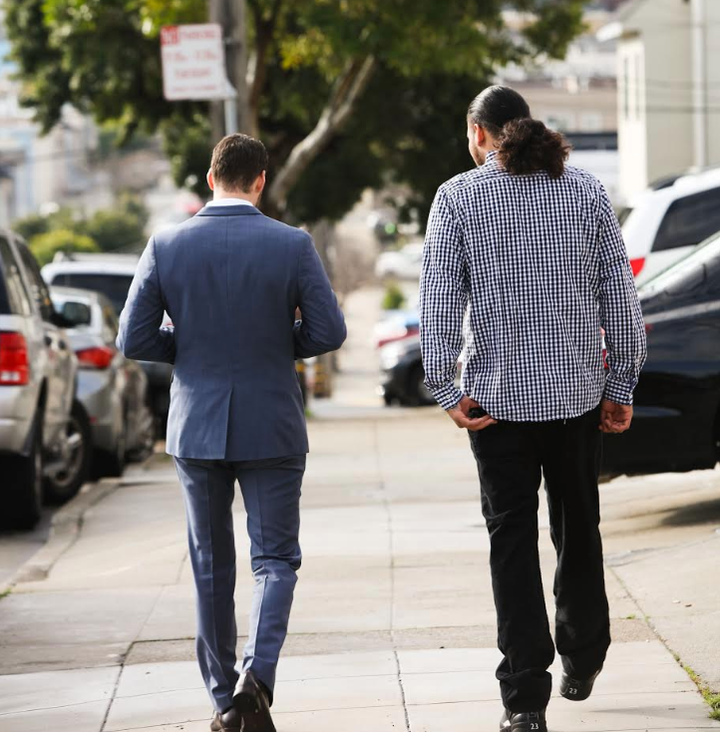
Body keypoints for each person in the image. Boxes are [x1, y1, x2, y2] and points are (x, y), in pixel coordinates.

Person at [419, 86, 646, 732]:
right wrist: (620, 385)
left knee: (510, 543)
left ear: (479, 134)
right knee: (578, 528)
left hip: (496, 409)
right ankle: (584, 655)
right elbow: (619, 297)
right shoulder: (586, 192)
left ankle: (524, 699)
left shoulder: (459, 198)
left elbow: (437, 303)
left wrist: (444, 386)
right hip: (577, 401)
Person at [117, 133, 347, 732]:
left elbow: (133, 339)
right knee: (275, 560)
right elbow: (327, 331)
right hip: (271, 420)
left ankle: (224, 700)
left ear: (208, 177)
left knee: (210, 563)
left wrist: (188, 349)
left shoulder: (166, 243)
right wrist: (278, 345)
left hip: (195, 425)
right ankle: (258, 676)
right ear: (262, 180)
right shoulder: (291, 244)